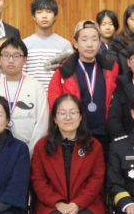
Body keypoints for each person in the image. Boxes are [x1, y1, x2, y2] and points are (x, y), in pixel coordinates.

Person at [48, 20, 119, 151]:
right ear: (75, 43)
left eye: (94, 39)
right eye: (84, 39)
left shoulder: (111, 69)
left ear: (100, 43)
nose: (90, 44)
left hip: (105, 135)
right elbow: (54, 106)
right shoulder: (62, 73)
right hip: (74, 135)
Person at [0, 37, 48, 155]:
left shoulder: (37, 87)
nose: (11, 60)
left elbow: (42, 124)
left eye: (16, 56)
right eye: (6, 55)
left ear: (25, 60)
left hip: (30, 151)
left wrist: (29, 152)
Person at [22, 0, 73, 92]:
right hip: (31, 95)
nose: (44, 16)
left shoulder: (65, 45)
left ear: (55, 16)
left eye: (49, 12)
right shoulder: (24, 44)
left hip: (56, 95)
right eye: (39, 12)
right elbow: (21, 74)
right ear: (33, 17)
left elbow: (67, 76)